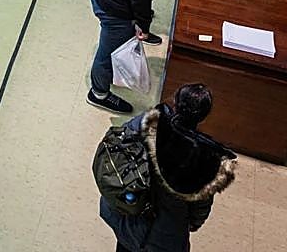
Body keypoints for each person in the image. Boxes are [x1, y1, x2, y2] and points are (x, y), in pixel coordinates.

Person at [99, 83, 236, 252]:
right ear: (204, 116)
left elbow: (121, 139)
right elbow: (198, 211)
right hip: (165, 235)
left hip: (130, 213)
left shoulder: (151, 121)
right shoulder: (207, 160)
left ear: (176, 102)